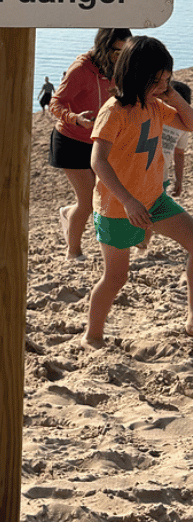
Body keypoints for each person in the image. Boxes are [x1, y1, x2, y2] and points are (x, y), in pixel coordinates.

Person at [82, 36, 193, 349]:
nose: (162, 87)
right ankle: (92, 336)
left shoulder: (156, 105)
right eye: (156, 81)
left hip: (154, 200)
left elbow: (191, 123)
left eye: (166, 80)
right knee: (116, 278)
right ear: (135, 75)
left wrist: (172, 94)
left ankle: (192, 319)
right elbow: (97, 161)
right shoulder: (113, 111)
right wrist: (129, 202)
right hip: (117, 208)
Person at [49, 28, 132, 260]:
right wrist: (75, 118)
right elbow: (56, 103)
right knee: (86, 203)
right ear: (103, 47)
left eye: (125, 51)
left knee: (104, 198)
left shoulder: (119, 68)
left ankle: (68, 213)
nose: (120, 56)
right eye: (116, 51)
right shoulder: (80, 70)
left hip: (101, 142)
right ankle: (73, 253)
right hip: (71, 140)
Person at [137, 79, 191, 252]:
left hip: (162, 177)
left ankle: (143, 245)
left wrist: (179, 180)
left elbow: (179, 153)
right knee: (139, 211)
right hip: (140, 174)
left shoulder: (182, 126)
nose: (168, 106)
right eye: (165, 101)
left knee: (149, 213)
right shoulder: (152, 114)